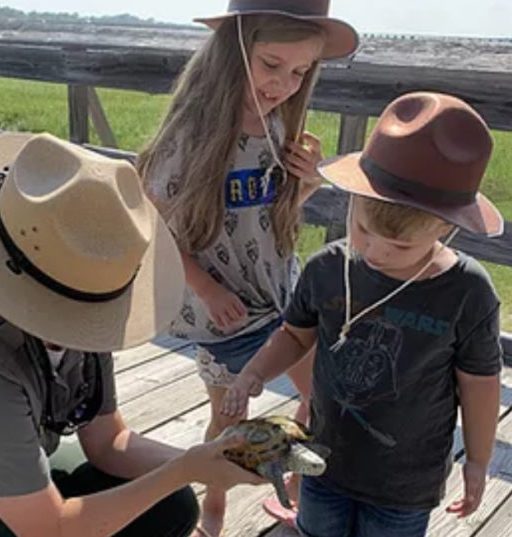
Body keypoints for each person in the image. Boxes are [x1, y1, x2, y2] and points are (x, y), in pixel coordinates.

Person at [0, 132, 265, 537]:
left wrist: (209, 460)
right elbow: (52, 530)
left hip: (2, 487)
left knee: (172, 507)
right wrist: (185, 470)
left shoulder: (83, 303)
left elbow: (109, 442)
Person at [222, 91, 504, 537]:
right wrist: (255, 371)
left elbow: (480, 384)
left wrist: (479, 459)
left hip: (406, 480)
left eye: (401, 247)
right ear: (351, 199)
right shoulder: (327, 268)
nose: (373, 253)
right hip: (324, 461)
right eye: (363, 231)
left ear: (446, 229)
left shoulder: (468, 292)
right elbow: (295, 336)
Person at [136, 1, 358, 534]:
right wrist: (205, 287)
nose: (284, 83)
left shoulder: (280, 124)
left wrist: (305, 183)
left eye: (301, 72)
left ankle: (299, 492)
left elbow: (270, 216)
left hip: (280, 294)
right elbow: (153, 225)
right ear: (234, 49)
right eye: (271, 64)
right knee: (230, 420)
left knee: (320, 397)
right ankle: (212, 510)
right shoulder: (190, 133)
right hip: (224, 312)